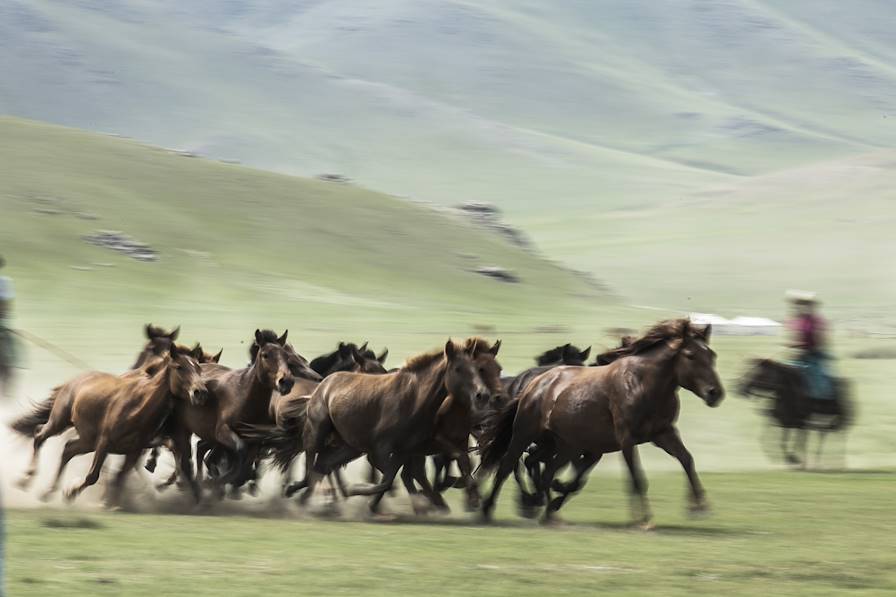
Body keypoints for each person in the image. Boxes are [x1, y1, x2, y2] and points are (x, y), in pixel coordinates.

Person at [786, 290, 834, 401]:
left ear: (812, 306)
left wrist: (809, 348)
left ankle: (820, 399)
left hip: (815, 355)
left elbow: (822, 339)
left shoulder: (818, 321)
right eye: (799, 304)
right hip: (799, 356)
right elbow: (795, 337)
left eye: (806, 304)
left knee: (816, 376)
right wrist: (792, 345)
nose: (802, 307)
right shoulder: (797, 320)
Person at [0, 255, 16, 398]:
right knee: (9, 368)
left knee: (8, 368)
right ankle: (6, 398)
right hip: (2, 326)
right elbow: (5, 306)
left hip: (2, 326)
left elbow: (5, 306)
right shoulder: (4, 283)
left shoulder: (3, 282)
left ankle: (5, 399)